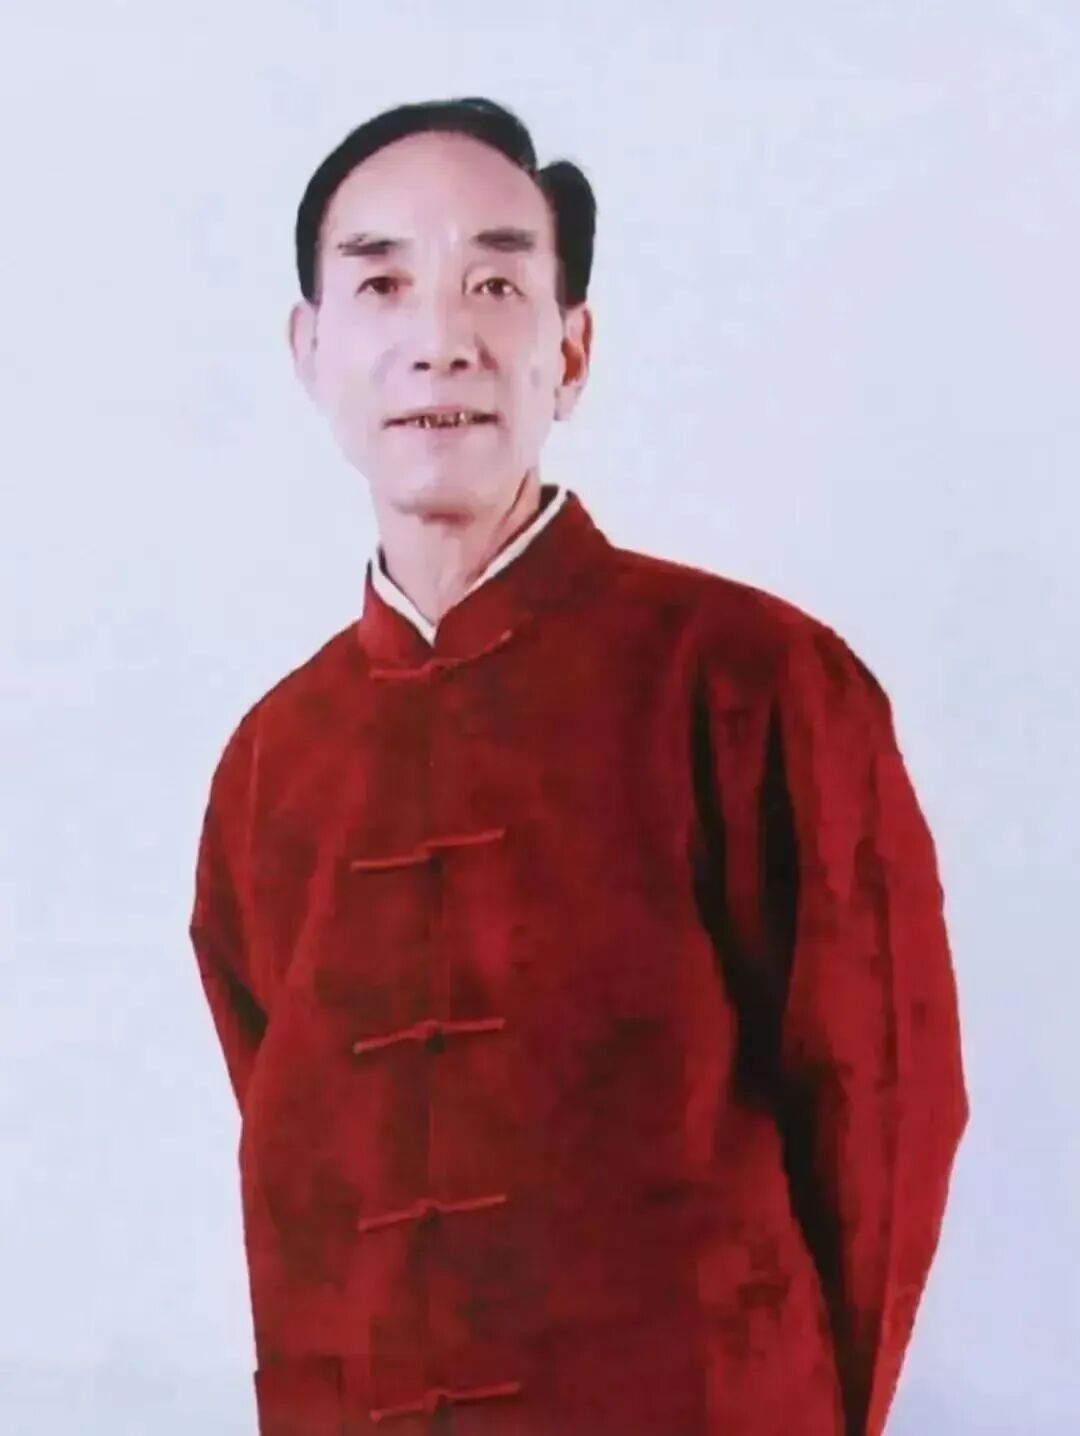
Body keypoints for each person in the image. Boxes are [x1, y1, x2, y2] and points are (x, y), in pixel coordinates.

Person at [188, 96, 969, 1436]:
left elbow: (882, 1116)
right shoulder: (271, 760)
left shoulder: (751, 680)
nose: (440, 337)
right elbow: (297, 1175)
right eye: (382, 283)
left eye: (496, 283)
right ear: (311, 349)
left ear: (571, 348)